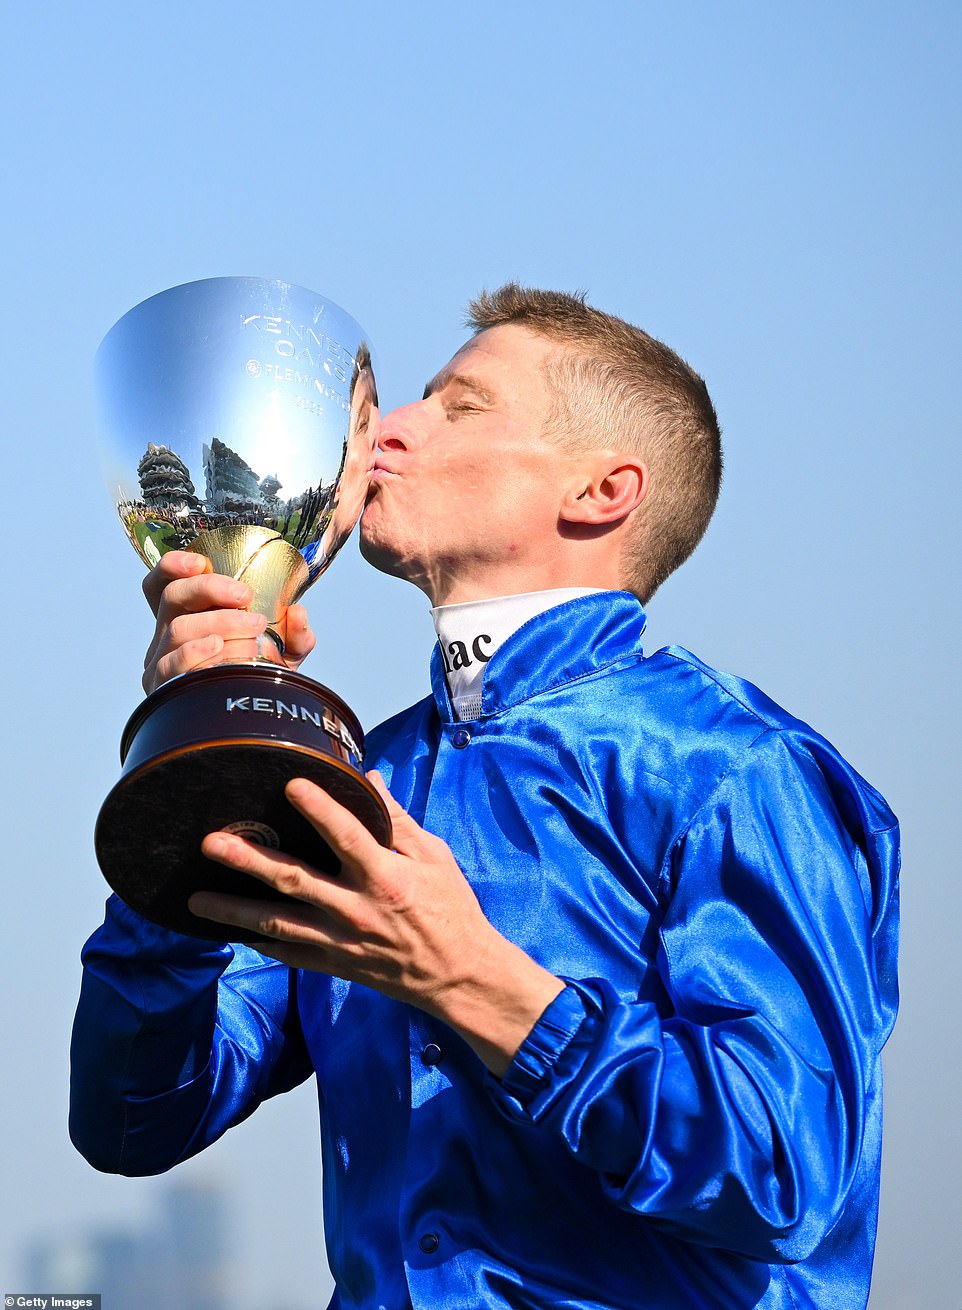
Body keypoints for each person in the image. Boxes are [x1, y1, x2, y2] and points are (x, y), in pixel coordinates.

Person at [70, 285, 900, 1310]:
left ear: (602, 489)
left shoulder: (733, 766)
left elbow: (783, 1169)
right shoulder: (354, 779)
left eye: (457, 404)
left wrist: (473, 979)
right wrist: (201, 767)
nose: (387, 431)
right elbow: (129, 1123)